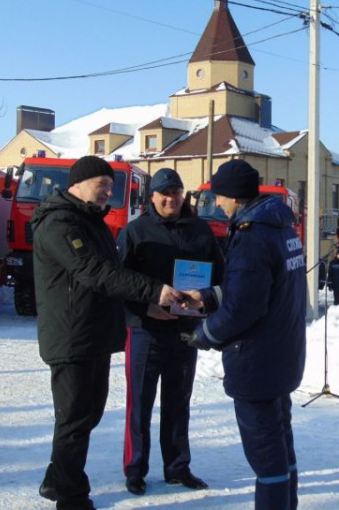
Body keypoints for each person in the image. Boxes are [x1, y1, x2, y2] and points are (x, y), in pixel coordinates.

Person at [31, 156, 182, 510]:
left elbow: (110, 278)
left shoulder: (90, 222)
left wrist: (146, 307)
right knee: (73, 420)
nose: (109, 194)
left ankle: (56, 479)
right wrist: (154, 290)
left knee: (88, 415)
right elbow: (94, 272)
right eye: (104, 185)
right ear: (80, 183)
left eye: (112, 187)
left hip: (92, 334)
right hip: (71, 337)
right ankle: (71, 498)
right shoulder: (59, 224)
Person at [183, 159, 306, 510]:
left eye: (219, 197)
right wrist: (208, 296)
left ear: (234, 197)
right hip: (283, 355)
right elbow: (254, 290)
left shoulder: (252, 235)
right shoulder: (280, 227)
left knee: (266, 456)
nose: (217, 204)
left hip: (258, 362)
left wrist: (204, 334)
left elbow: (243, 309)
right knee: (281, 444)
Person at [118, 168, 224, 496]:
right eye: (164, 192)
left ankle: (177, 467)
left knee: (179, 401)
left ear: (183, 195)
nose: (170, 198)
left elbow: (221, 276)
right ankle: (135, 469)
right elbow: (116, 283)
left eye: (176, 192)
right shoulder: (135, 233)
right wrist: (142, 309)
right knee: (140, 403)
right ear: (151, 197)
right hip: (145, 330)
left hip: (184, 330)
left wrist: (205, 304)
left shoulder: (200, 231)